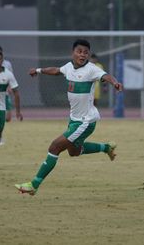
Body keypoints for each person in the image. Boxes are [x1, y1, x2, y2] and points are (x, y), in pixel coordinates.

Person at [15, 39, 123, 195]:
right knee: (74, 152)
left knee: (54, 147)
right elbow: (56, 70)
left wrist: (115, 82)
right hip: (74, 120)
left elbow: (106, 76)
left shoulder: (91, 69)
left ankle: (34, 185)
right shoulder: (68, 67)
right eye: (79, 51)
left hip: (85, 122)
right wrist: (38, 70)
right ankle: (106, 147)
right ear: (73, 52)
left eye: (86, 52)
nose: (82, 55)